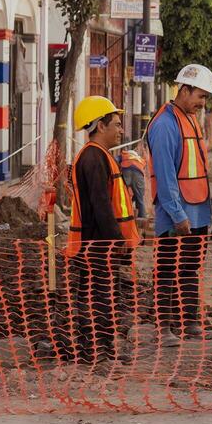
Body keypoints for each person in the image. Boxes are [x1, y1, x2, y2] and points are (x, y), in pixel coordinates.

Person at [145, 63, 212, 346]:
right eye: (200, 96)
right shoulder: (165, 124)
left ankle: (189, 323)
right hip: (177, 216)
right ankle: (165, 329)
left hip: (196, 211)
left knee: (188, 269)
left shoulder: (189, 118)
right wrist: (177, 215)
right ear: (184, 89)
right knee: (166, 271)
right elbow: (165, 176)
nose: (203, 103)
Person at [66, 96, 141, 361]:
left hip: (99, 244)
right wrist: (117, 240)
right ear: (100, 125)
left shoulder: (99, 156)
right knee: (99, 297)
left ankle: (103, 349)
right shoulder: (93, 158)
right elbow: (101, 205)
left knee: (103, 296)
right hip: (97, 245)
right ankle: (96, 351)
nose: (121, 130)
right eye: (117, 124)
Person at [118, 147, 147, 220]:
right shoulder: (140, 159)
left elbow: (115, 160)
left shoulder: (124, 155)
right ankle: (141, 220)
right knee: (139, 199)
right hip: (139, 175)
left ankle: (121, 216)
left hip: (126, 171)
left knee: (122, 195)